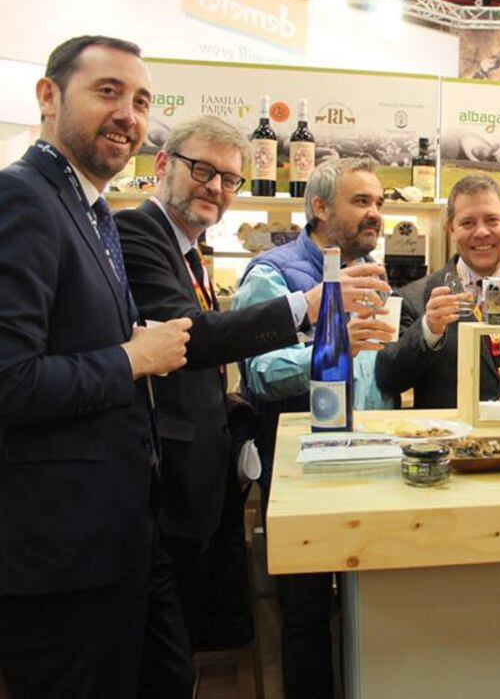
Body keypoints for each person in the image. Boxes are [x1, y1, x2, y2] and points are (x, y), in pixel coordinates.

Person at [115, 117, 386, 696]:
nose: (216, 187)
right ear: (161, 166)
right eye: (203, 171)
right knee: (286, 618)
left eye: (231, 179)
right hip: (209, 481)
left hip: (260, 473)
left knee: (178, 653)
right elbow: (226, 357)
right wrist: (315, 317)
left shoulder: (189, 253)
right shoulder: (141, 233)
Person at [0, 36, 191, 698]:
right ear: (48, 97)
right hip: (60, 554)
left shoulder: (90, 210)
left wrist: (129, 344)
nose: (128, 115)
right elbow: (8, 381)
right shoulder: (23, 199)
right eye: (107, 91)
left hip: (113, 535)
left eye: (140, 101)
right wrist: (131, 358)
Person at [232, 156, 395, 699]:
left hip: (368, 461)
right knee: (304, 611)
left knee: (365, 605)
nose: (375, 214)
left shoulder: (371, 270)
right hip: (300, 473)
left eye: (378, 202)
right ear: (320, 207)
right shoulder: (273, 273)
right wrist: (335, 344)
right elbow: (259, 373)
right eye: (361, 202)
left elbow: (373, 370)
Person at [375, 174, 500, 409]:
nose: (481, 232)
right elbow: (388, 379)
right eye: (468, 223)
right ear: (450, 228)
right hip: (446, 440)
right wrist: (428, 330)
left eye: (492, 220)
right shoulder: (414, 298)